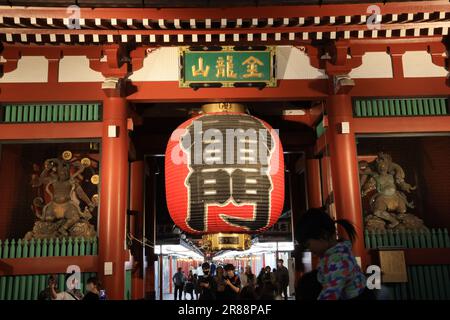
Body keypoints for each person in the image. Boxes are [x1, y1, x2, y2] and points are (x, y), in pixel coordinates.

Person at [296, 208, 375, 300]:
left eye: (308, 244)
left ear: (323, 235)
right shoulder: (333, 255)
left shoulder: (338, 260)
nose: (309, 249)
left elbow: (330, 294)